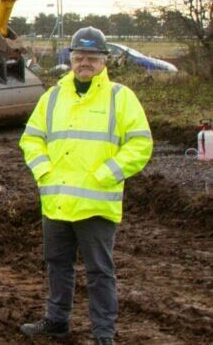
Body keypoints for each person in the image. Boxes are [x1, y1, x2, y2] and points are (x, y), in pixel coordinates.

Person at [19, 26, 152, 345]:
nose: (85, 63)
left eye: (92, 57)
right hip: (57, 202)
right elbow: (31, 139)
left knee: (99, 273)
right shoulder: (52, 97)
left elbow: (140, 144)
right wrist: (44, 172)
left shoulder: (120, 98)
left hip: (96, 204)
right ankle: (56, 321)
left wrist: (106, 174)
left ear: (104, 61)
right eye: (79, 57)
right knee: (57, 266)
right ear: (71, 59)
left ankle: (103, 334)